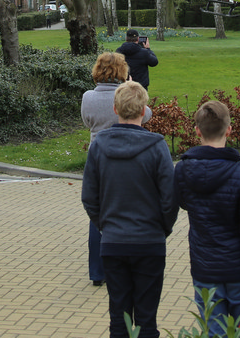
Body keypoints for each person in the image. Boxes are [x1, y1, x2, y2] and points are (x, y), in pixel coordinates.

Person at [82, 81, 176, 338]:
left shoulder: (99, 146)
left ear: (115, 109)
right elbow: (170, 198)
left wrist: (105, 226)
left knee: (119, 319)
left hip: (114, 242)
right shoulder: (157, 147)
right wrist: (162, 229)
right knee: (147, 320)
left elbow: (89, 197)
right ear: (144, 111)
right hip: (149, 242)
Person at [174, 101, 240, 335]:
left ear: (197, 131)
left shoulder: (183, 171)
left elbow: (183, 203)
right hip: (239, 272)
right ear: (229, 130)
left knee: (214, 331)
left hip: (205, 269)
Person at [81, 52, 152, 287]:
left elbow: (87, 122)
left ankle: (97, 271)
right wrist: (132, 86)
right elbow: (146, 115)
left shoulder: (88, 97)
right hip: (128, 154)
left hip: (98, 155)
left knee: (99, 211)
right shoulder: (124, 95)